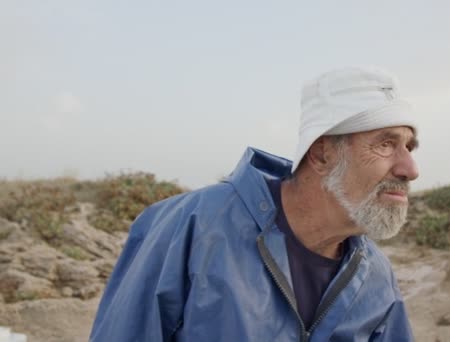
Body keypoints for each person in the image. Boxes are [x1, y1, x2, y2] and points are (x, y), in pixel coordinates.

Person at [90, 66, 419, 341]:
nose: (410, 169)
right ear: (323, 153)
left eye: (409, 147)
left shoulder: (377, 276)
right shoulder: (188, 227)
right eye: (386, 144)